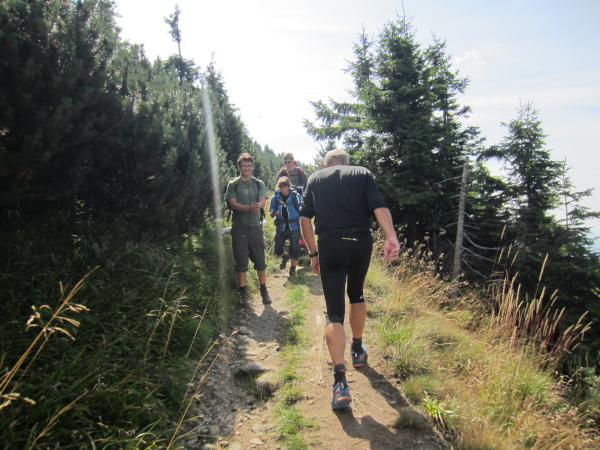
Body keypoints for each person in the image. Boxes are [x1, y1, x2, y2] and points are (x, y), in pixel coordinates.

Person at [299, 149, 400, 410]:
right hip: (360, 241)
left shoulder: (316, 178)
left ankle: (340, 383)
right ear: (347, 163)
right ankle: (357, 348)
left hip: (330, 242)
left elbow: (305, 218)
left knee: (334, 312)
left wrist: (313, 253)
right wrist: (391, 237)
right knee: (356, 293)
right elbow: (378, 206)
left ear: (327, 165)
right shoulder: (362, 173)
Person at [225, 153, 271, 306]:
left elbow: (263, 200)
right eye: (244, 166)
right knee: (241, 260)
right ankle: (243, 292)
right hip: (239, 227)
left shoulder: (258, 183)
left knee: (260, 259)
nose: (246, 168)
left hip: (255, 226)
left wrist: (258, 206)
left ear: (253, 167)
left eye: (249, 166)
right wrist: (248, 208)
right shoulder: (233, 184)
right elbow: (232, 203)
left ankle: (263, 289)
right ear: (239, 167)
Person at [269, 177, 302, 278]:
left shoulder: (295, 196)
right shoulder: (276, 197)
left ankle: (292, 269)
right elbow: (271, 212)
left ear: (288, 186)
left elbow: (301, 210)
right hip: (281, 226)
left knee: (294, 248)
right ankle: (285, 256)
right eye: (280, 187)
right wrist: (273, 213)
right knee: (277, 249)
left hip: (294, 226)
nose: (282, 189)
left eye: (284, 187)